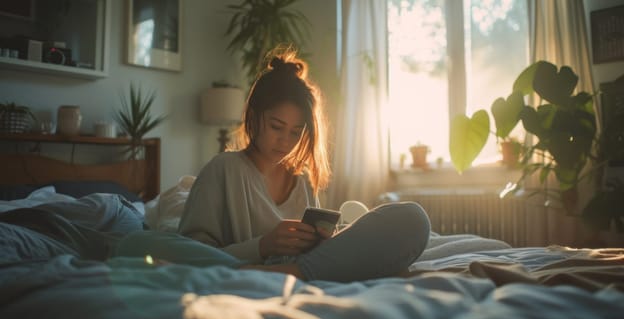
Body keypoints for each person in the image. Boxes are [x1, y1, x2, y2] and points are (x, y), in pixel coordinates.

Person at [116, 50, 431, 282]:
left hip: (300, 267)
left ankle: (290, 273)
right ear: (254, 117)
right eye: (277, 126)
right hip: (252, 264)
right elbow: (196, 250)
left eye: (296, 132)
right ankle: (280, 273)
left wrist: (325, 242)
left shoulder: (302, 181)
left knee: (413, 218)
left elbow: (318, 246)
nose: (286, 141)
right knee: (136, 243)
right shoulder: (224, 169)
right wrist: (262, 246)